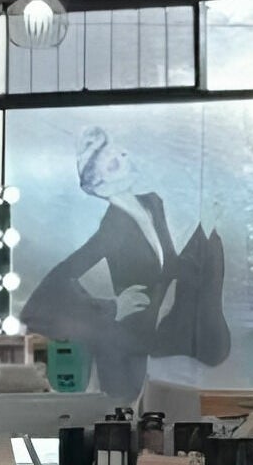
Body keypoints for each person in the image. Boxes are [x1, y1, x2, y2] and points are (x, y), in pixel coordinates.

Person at [21, 127, 230, 401]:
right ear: (100, 185)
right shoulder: (111, 230)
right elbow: (54, 286)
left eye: (121, 152)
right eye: (114, 162)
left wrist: (206, 226)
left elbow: (170, 270)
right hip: (123, 353)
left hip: (157, 346)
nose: (126, 158)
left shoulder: (152, 205)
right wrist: (113, 307)